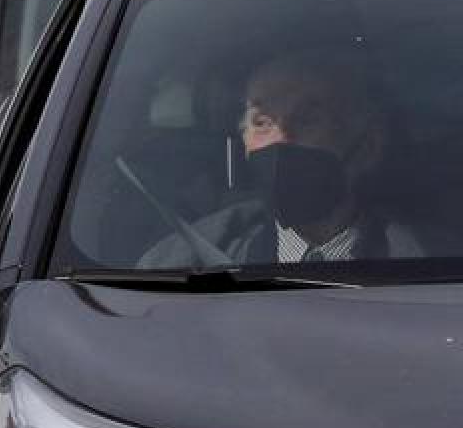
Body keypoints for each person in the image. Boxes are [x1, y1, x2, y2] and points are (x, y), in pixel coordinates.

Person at [140, 48, 444, 267]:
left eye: (308, 120)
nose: (282, 140)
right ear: (242, 145)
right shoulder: (176, 264)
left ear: (367, 147)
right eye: (263, 122)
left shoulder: (436, 262)